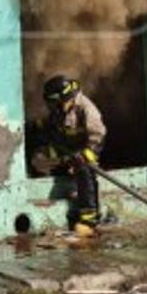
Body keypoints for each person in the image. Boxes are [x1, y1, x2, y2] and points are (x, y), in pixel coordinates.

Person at [30, 76, 106, 234]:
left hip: (83, 154)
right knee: (39, 158)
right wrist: (36, 126)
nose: (52, 106)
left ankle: (89, 220)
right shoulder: (60, 108)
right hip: (65, 150)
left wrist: (86, 155)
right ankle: (60, 179)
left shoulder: (86, 109)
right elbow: (53, 125)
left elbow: (98, 138)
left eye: (54, 102)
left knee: (85, 172)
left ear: (64, 98)